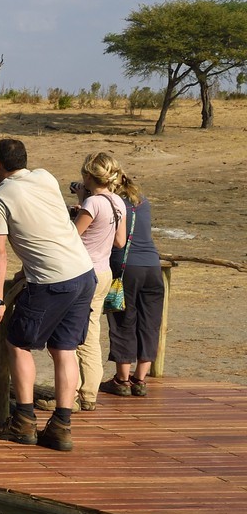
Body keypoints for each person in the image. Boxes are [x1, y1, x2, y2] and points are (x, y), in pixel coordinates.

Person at [0, 138, 97, 452]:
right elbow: (48, 225)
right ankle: (61, 427)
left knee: (18, 343)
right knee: (64, 348)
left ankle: (23, 421)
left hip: (51, 282)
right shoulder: (45, 177)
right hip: (83, 273)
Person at [69, 153, 128, 412]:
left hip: (83, 273)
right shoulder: (118, 202)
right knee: (91, 334)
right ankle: (89, 394)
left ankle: (69, 395)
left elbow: (72, 237)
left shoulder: (93, 203)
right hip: (104, 272)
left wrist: (81, 207)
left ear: (88, 176)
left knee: (69, 334)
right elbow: (120, 242)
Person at [105, 162, 163, 396]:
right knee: (150, 322)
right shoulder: (142, 201)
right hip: (153, 266)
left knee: (123, 320)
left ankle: (122, 380)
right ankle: (140, 379)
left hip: (127, 268)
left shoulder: (113, 203)